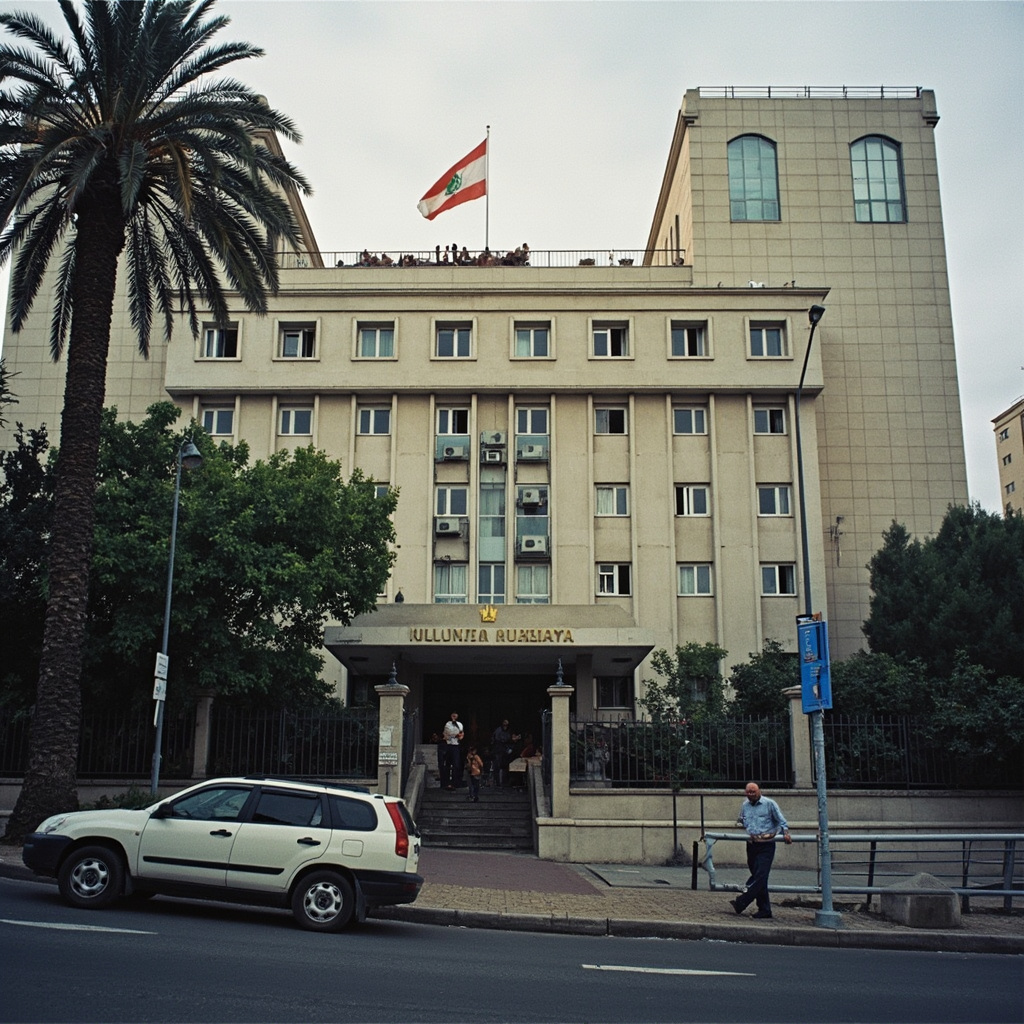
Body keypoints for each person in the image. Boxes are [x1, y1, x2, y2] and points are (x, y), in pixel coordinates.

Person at [729, 781, 792, 920]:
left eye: (753, 791)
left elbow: (782, 821)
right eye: (748, 792)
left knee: (760, 875)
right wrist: (741, 827)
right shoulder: (745, 805)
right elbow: (741, 820)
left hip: (767, 844)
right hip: (751, 844)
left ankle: (742, 901)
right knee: (758, 877)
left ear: (759, 791)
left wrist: (786, 833)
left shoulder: (769, 804)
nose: (751, 794)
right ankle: (764, 910)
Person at [440, 711, 464, 790]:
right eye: (453, 716)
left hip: (456, 745)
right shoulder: (448, 724)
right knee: (447, 764)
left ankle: (455, 782)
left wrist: (458, 735)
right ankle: (446, 782)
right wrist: (456, 735)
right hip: (448, 745)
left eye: (455, 716)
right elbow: (449, 733)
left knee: (456, 765)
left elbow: (461, 733)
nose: (454, 717)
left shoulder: (460, 724)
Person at [491, 718, 513, 787]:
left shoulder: (508, 731)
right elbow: (499, 739)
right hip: (499, 750)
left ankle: (503, 782)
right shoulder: (498, 731)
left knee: (504, 766)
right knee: (498, 766)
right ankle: (498, 782)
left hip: (505, 750)